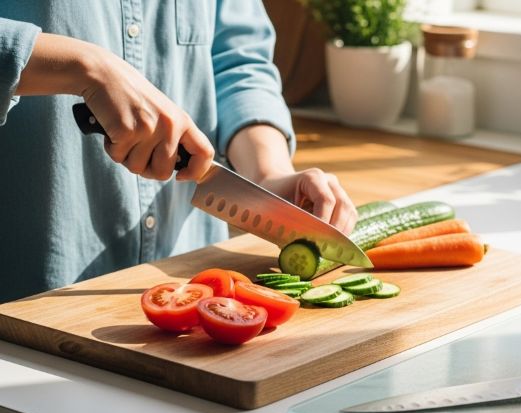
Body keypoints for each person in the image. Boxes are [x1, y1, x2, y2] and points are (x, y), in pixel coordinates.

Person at [0, 1, 356, 303]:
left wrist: (268, 174)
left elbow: (238, 62)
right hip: (28, 292)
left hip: (193, 287)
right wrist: (87, 66)